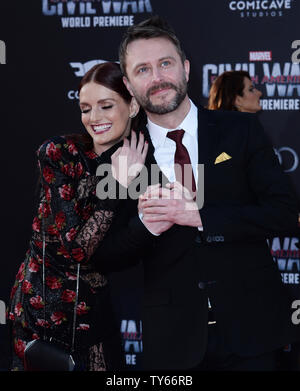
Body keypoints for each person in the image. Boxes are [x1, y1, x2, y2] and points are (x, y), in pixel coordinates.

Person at [95, 16, 300, 371]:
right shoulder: (117, 157)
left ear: (186, 68)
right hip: (174, 344)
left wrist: (200, 217)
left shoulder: (242, 130)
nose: (157, 77)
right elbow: (105, 256)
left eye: (165, 63)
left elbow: (284, 213)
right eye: (143, 69)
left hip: (254, 331)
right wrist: (146, 225)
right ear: (128, 84)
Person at [7, 61, 148, 371]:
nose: (93, 118)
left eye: (106, 106)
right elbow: (76, 249)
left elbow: (124, 248)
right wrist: (117, 186)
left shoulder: (142, 161)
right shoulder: (60, 154)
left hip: (96, 312)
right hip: (46, 309)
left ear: (133, 105)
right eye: (86, 108)